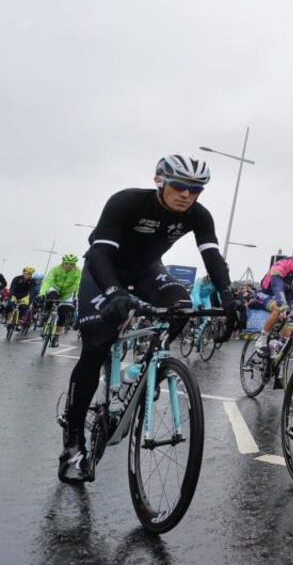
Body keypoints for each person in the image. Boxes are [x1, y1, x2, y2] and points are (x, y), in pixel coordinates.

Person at [59, 154, 244, 483]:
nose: (188, 195)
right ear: (160, 181)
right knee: (97, 344)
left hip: (147, 271)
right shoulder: (127, 202)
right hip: (105, 271)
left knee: (182, 305)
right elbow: (99, 252)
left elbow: (212, 256)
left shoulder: (199, 215)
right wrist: (115, 294)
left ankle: (143, 369)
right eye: (180, 186)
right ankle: (73, 444)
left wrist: (229, 297)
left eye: (196, 190)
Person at [37, 254, 82, 346]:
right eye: (67, 263)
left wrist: (77, 297)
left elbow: (78, 285)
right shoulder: (55, 269)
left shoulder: (78, 272)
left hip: (67, 293)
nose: (69, 266)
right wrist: (42, 293)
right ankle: (45, 314)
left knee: (63, 314)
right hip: (55, 288)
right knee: (51, 298)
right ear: (63, 262)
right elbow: (47, 282)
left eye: (72, 264)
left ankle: (56, 337)